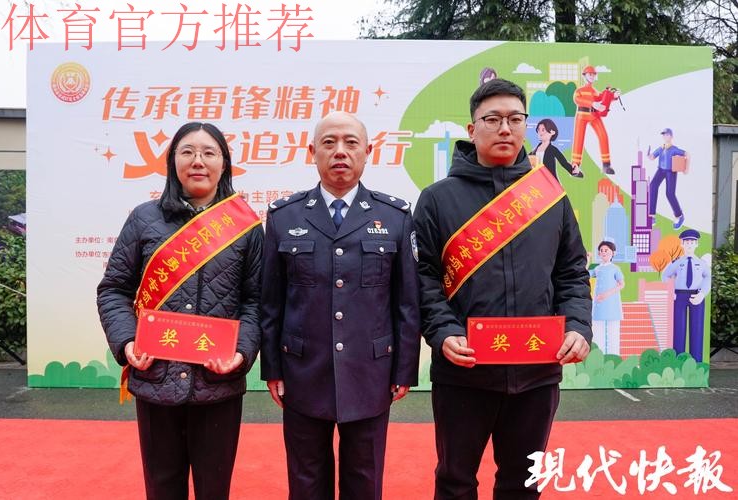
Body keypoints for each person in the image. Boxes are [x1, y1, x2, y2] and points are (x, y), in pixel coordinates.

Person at [413, 79, 592, 499]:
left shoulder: (550, 197)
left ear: (526, 126)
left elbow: (572, 273)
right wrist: (444, 333)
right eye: (492, 119)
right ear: (472, 128)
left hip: (536, 372)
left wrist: (577, 327)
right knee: (455, 481)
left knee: (523, 483)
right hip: (463, 370)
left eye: (515, 118)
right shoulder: (437, 199)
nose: (505, 128)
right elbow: (423, 277)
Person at [97, 122, 263, 500]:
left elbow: (256, 302)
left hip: (218, 385)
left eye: (209, 152)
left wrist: (241, 353)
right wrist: (127, 342)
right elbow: (114, 290)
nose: (197, 161)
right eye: (187, 152)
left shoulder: (246, 227)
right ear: (173, 161)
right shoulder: (144, 219)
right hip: (155, 379)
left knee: (214, 490)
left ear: (224, 163)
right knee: (162, 489)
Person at [260, 111, 421, 500]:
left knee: (364, 480)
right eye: (329, 143)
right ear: (312, 151)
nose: (340, 152)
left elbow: (407, 302)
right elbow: (271, 302)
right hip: (303, 370)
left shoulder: (394, 216)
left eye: (351, 143)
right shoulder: (284, 216)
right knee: (306, 481)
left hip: (370, 372)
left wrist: (404, 369)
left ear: (368, 152)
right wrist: (273, 368)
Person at [663, 229, 710, 362]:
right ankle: (678, 360)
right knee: (679, 328)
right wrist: (670, 291)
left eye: (692, 242)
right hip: (679, 296)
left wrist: (702, 294)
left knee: (697, 328)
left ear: (697, 244)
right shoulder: (677, 262)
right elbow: (666, 275)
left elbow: (708, 277)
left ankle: (697, 361)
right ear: (682, 244)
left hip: (697, 296)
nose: (689, 245)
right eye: (687, 242)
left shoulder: (701, 263)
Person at [570, 65, 620, 175]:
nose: (592, 76)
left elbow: (603, 97)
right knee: (578, 139)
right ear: (584, 76)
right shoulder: (579, 91)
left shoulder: (595, 91)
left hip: (594, 115)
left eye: (593, 74)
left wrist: (614, 96)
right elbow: (577, 99)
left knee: (603, 135)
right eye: (590, 74)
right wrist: (592, 103)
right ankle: (574, 166)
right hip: (582, 116)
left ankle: (606, 165)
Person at [588, 240, 624, 355]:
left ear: (613, 253)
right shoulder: (597, 269)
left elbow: (621, 284)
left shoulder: (615, 268)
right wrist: (588, 260)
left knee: (613, 332)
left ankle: (614, 356)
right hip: (599, 306)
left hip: (612, 305)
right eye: (601, 250)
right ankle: (599, 356)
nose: (603, 252)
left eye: (606, 250)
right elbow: (584, 274)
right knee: (597, 332)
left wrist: (606, 294)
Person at [648, 128, 688, 230]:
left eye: (667, 135)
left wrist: (686, 168)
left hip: (671, 172)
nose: (665, 137)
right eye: (664, 135)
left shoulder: (674, 149)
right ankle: (652, 216)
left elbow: (687, 154)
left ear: (671, 136)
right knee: (652, 186)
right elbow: (652, 157)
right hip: (661, 170)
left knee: (670, 193)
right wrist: (649, 154)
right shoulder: (661, 148)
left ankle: (679, 215)